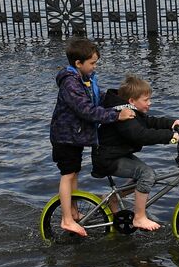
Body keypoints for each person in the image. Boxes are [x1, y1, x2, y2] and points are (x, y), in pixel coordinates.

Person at [50, 40, 134, 237]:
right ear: (79, 63)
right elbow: (87, 110)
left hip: (75, 137)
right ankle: (66, 219)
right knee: (67, 175)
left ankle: (73, 211)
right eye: (92, 63)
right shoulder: (70, 83)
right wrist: (116, 116)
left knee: (74, 173)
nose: (95, 67)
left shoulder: (84, 79)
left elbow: (98, 99)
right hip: (64, 137)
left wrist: (122, 104)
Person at [94, 75, 179, 231]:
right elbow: (140, 135)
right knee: (147, 175)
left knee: (149, 176)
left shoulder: (132, 111)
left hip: (117, 153)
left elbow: (148, 122)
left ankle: (113, 199)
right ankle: (139, 217)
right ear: (132, 101)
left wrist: (170, 123)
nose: (150, 103)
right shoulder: (124, 114)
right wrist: (170, 138)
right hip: (108, 158)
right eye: (146, 100)